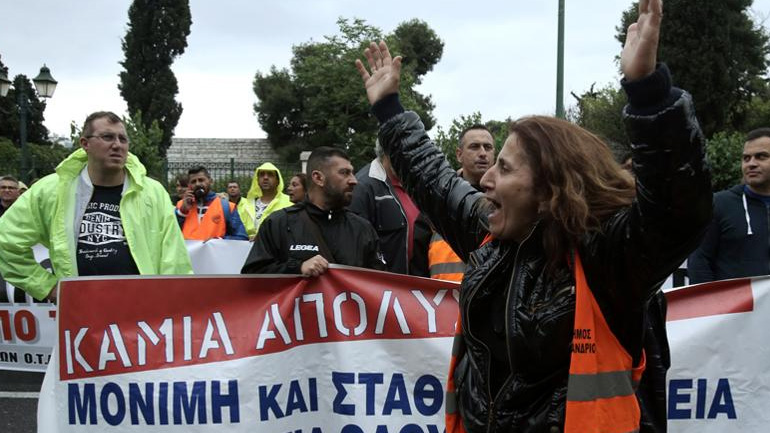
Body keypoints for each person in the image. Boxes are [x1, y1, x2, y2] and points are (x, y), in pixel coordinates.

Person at [354, 1, 712, 431]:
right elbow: (433, 180)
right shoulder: (492, 239)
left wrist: (648, 92)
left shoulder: (610, 261)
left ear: (548, 191)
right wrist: (389, 110)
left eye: (504, 168)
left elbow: (677, 210)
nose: (485, 180)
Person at [0, 111, 193, 302]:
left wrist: (173, 306)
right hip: (80, 313)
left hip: (141, 313)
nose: (117, 145)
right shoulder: (51, 190)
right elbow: (5, 241)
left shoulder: (152, 192)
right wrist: (47, 287)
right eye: (107, 137)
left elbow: (174, 258)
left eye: (123, 139)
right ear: (85, 144)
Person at [242, 146, 385, 276]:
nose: (354, 180)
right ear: (318, 178)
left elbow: (379, 284)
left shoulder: (362, 229)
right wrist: (297, 268)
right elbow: (252, 278)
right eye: (344, 173)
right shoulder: (278, 224)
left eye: (352, 173)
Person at [688, 127, 770, 283]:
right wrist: (710, 304)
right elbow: (700, 261)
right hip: (734, 307)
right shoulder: (718, 204)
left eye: (761, 157)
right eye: (746, 158)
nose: (751, 164)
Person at [350, 140, 431, 276]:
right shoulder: (363, 187)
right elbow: (356, 248)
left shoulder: (418, 184)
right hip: (385, 288)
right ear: (386, 153)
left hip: (418, 285)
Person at [429, 125, 496, 282]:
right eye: (474, 147)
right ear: (459, 155)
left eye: (488, 147)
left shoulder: (509, 202)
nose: (482, 153)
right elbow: (416, 263)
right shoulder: (438, 200)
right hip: (438, 302)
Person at [176, 166, 249, 241]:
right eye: (193, 182)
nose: (197, 184)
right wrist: (182, 212)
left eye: (201, 180)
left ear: (210, 181)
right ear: (189, 185)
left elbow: (241, 237)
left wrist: (219, 241)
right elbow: (171, 234)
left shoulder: (226, 206)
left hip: (216, 252)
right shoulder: (180, 206)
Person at [243, 162, 293, 234]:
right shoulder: (247, 205)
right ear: (257, 180)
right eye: (262, 174)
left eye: (270, 174)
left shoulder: (289, 203)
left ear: (278, 181)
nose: (265, 178)